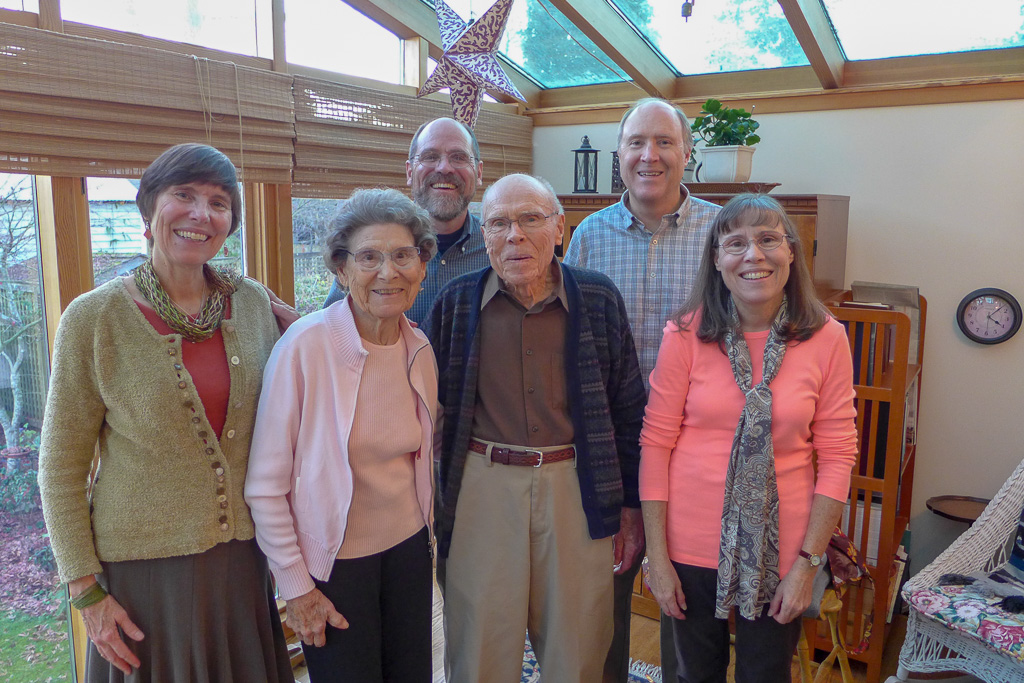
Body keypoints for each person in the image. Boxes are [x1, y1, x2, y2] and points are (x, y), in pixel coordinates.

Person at [38, 143, 293, 681]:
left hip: (242, 567)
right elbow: (60, 469)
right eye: (185, 195)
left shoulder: (250, 304)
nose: (201, 213)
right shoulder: (94, 319)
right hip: (142, 581)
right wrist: (86, 593)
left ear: (230, 223)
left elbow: (305, 384)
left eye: (219, 202)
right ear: (149, 209)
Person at [425, 173, 646, 683]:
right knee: (479, 644)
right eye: (499, 222)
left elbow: (628, 410)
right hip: (482, 487)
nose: (514, 236)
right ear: (485, 235)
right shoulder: (456, 304)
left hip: (576, 486)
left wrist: (631, 506)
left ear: (560, 228)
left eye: (530, 219)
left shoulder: (597, 298)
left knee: (579, 646)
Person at [640, 194, 858, 682]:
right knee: (694, 674)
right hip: (689, 544)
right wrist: (657, 555)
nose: (752, 255)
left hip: (783, 551)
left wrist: (808, 564)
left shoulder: (827, 338)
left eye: (767, 240)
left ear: (791, 252)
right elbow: (655, 444)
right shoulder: (685, 334)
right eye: (734, 243)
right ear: (716, 260)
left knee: (765, 674)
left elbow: (839, 455)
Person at [245, 187, 438, 682]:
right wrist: (296, 587)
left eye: (402, 255)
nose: (388, 272)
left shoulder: (419, 347)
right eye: (369, 257)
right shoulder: (305, 346)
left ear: (421, 266)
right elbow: (266, 486)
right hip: (334, 567)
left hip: (409, 552)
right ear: (341, 269)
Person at [562, 97, 721, 682]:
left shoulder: (722, 233)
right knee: (606, 588)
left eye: (663, 143)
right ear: (619, 154)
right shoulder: (588, 236)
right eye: (635, 143)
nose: (648, 155)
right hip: (610, 440)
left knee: (688, 596)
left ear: (686, 154)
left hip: (695, 447)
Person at [322, 117, 489, 321]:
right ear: (410, 171)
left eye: (459, 157)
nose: (444, 168)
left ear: (478, 172)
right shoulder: (367, 251)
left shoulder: (498, 250)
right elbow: (330, 328)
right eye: (430, 156)